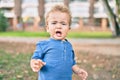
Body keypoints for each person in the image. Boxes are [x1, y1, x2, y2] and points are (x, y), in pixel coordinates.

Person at [30, 4, 88, 80]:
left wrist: (78, 70)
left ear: (68, 29)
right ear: (47, 28)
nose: (58, 26)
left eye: (63, 24)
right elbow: (34, 58)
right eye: (54, 23)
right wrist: (35, 64)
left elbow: (72, 63)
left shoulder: (69, 46)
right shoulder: (43, 45)